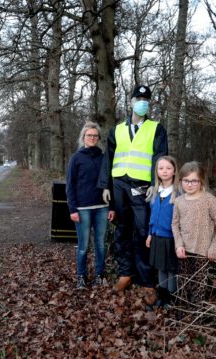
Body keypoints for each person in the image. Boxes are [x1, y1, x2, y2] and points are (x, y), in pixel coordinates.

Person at [97, 84, 168, 291]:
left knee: (143, 231)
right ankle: (125, 274)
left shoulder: (156, 128)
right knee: (122, 231)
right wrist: (105, 186)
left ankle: (145, 280)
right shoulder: (117, 130)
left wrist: (156, 184)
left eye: (146, 101)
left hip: (142, 187)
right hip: (119, 186)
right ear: (131, 102)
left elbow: (160, 157)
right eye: (138, 99)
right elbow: (108, 160)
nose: (142, 103)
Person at [66, 122, 115, 289]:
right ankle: (81, 276)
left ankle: (99, 275)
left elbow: (110, 183)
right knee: (83, 246)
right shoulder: (76, 158)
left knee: (100, 244)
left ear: (98, 138)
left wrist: (112, 207)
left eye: (95, 135)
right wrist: (73, 209)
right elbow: (70, 186)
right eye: (89, 135)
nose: (92, 138)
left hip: (102, 207)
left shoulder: (104, 158)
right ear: (83, 137)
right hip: (82, 209)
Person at [172, 161, 216, 304]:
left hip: (202, 253)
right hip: (183, 251)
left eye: (194, 181)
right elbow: (175, 224)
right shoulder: (178, 201)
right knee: (183, 285)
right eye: (186, 180)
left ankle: (196, 320)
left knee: (198, 288)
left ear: (201, 181)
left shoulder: (209, 200)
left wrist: (215, 246)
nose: (189, 184)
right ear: (180, 181)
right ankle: (181, 317)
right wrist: (178, 245)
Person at [145, 156, 180, 308]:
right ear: (157, 172)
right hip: (157, 237)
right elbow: (152, 216)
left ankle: (172, 299)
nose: (164, 171)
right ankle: (162, 296)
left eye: (168, 168)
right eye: (161, 168)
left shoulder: (178, 194)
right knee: (160, 267)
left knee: (171, 269)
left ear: (174, 171)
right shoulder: (155, 192)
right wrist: (149, 233)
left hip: (171, 238)